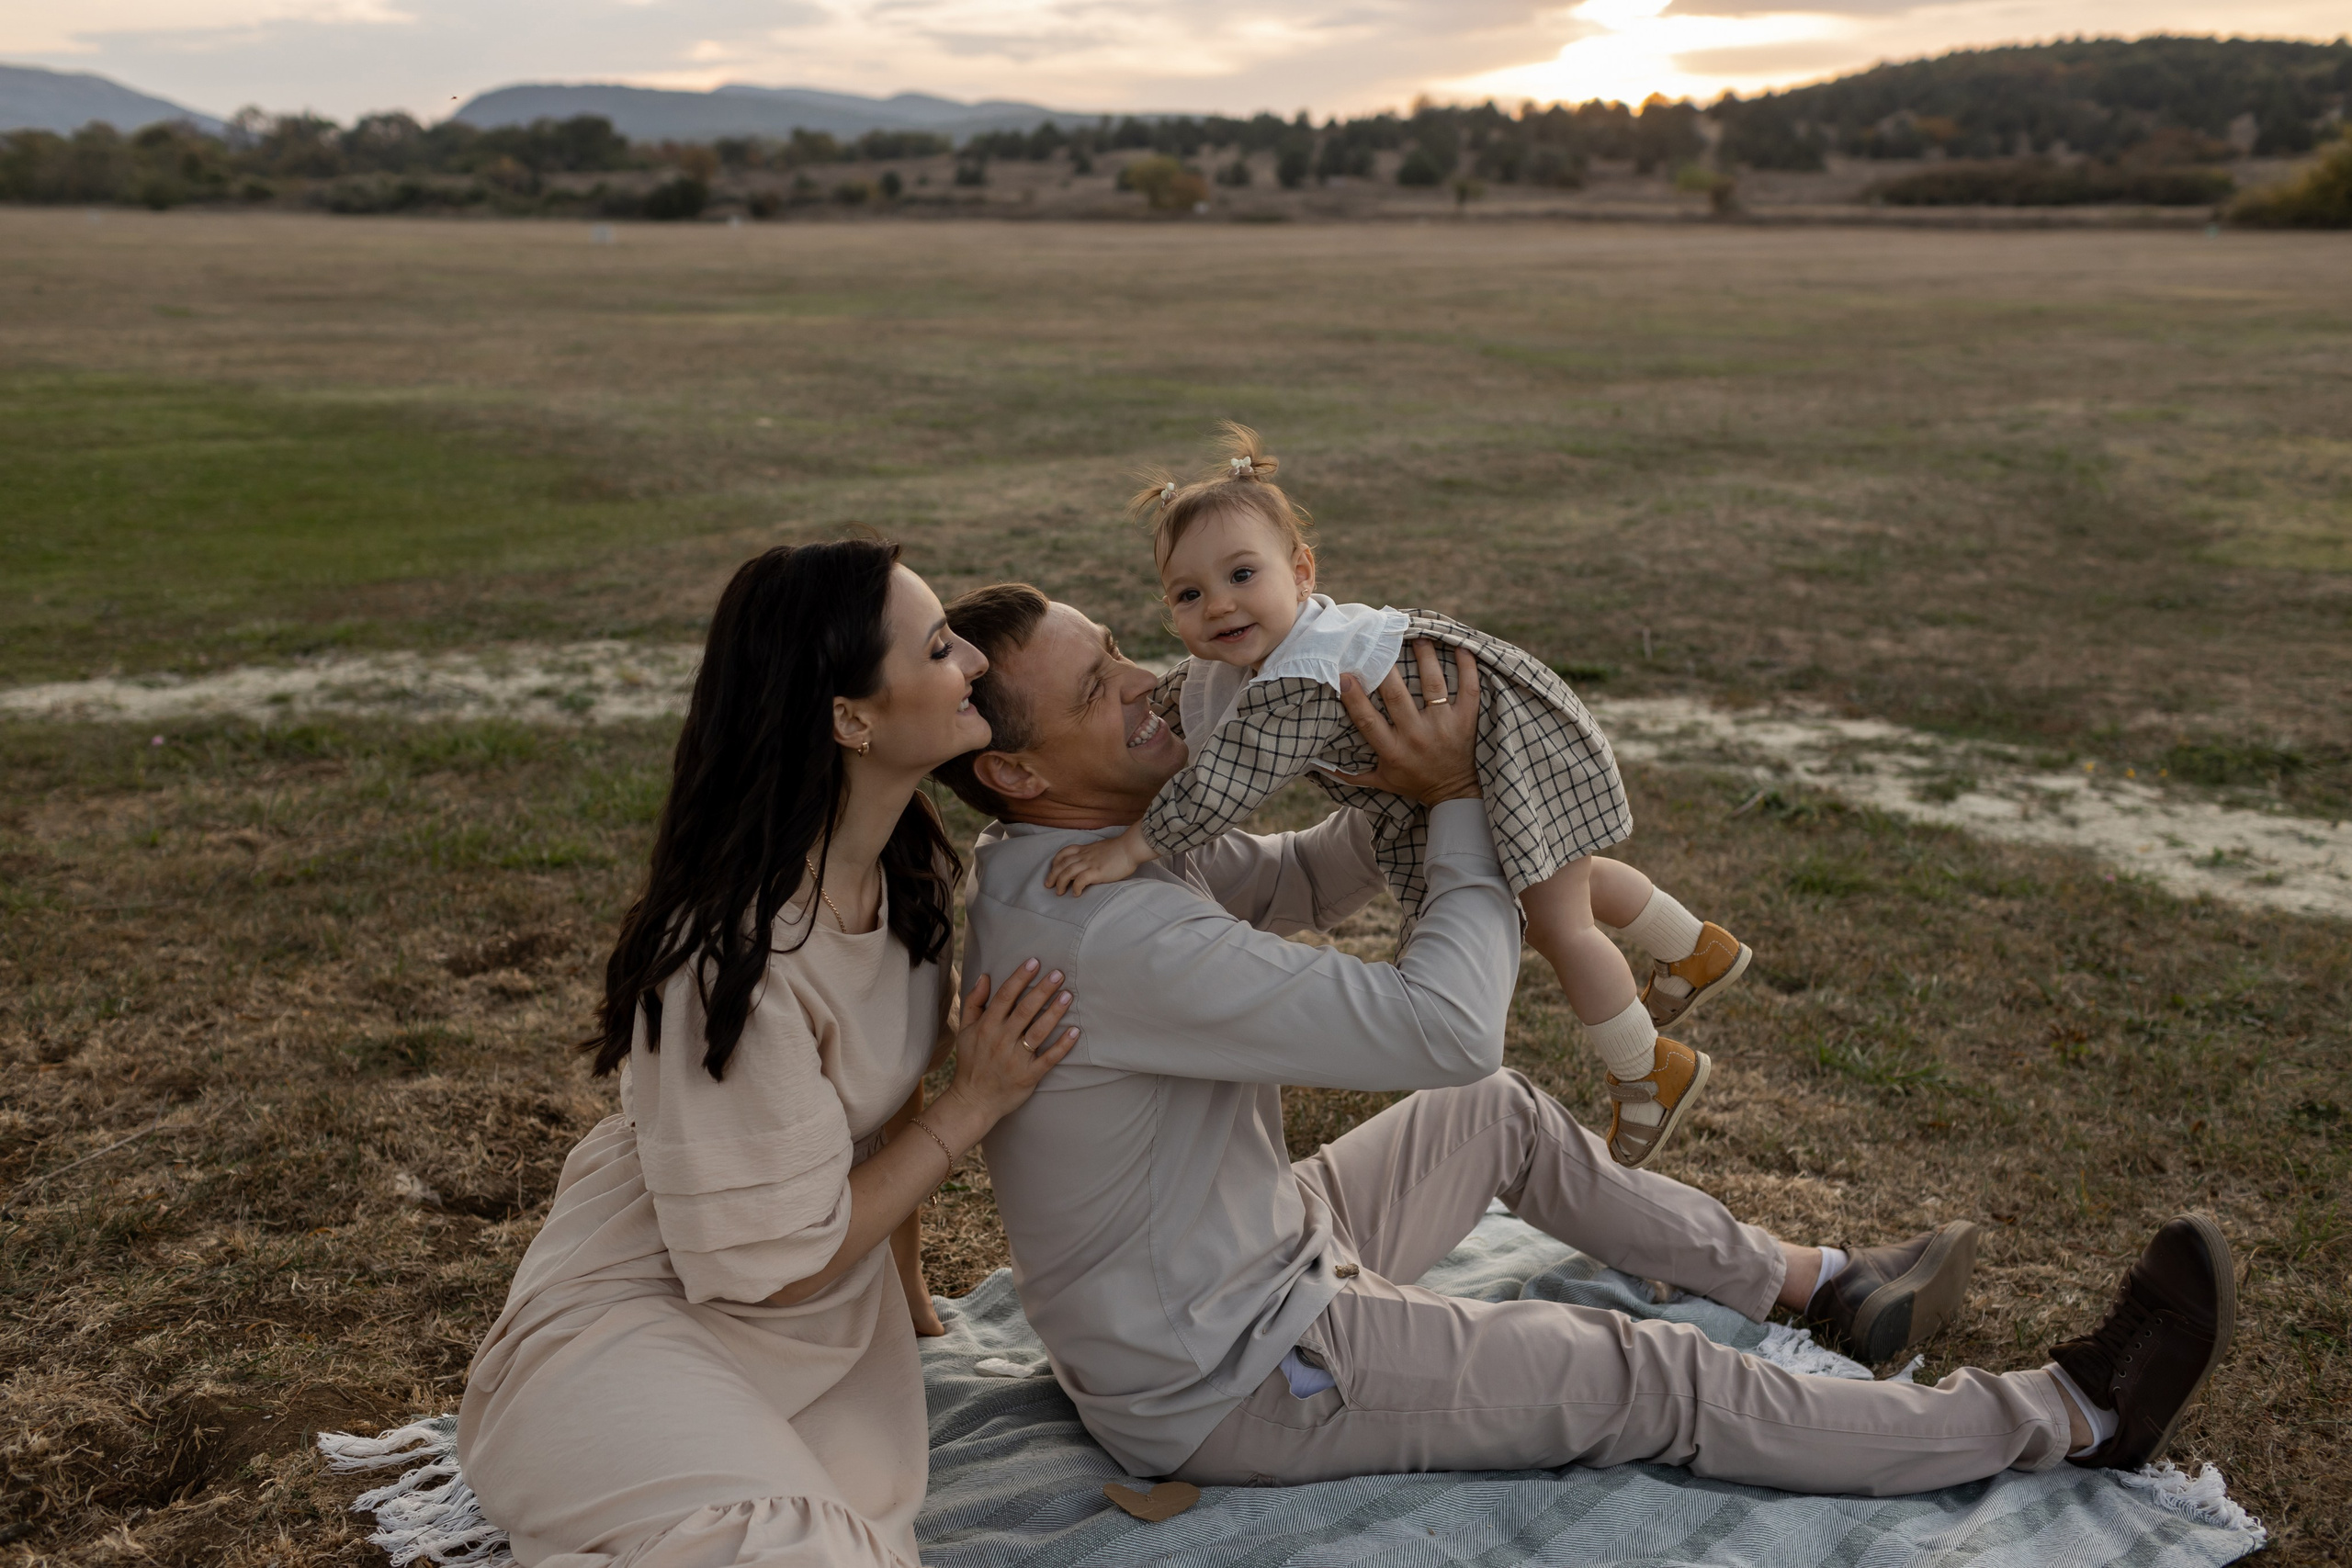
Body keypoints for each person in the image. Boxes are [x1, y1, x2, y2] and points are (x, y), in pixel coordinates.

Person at [931, 580, 2235, 1496]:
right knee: (1647, 1376)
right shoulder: (1105, 931)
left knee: (1493, 1113)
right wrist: (1457, 798)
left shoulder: (1072, 850)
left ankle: (1821, 1285)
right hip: (1238, 1371)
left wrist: (1400, 756)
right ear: (1018, 773)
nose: (1149, 681)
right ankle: (2070, 1414)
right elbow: (1441, 1025)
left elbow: (1308, 877)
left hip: (1252, 1250)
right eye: (1100, 687)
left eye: (1121, 649)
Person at [457, 540, 1080, 1568]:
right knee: (795, 1549)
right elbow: (773, 1273)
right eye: (937, 648)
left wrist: (914, 1304)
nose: (973, 660)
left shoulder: (907, 869)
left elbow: (887, 1094)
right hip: (644, 1319)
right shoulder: (726, 958)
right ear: (850, 718)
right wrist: (973, 1104)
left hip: (820, 1333)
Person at [1041, 423, 1744, 1168]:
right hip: (1504, 730)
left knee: (1556, 921)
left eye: (1241, 575)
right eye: (1190, 594)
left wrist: (1130, 846)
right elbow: (1188, 699)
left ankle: (1648, 1072)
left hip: (1502, 745)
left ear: (1301, 573)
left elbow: (1221, 787)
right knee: (1555, 867)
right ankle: (1691, 946)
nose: (1218, 605)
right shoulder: (1264, 653)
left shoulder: (1303, 678)